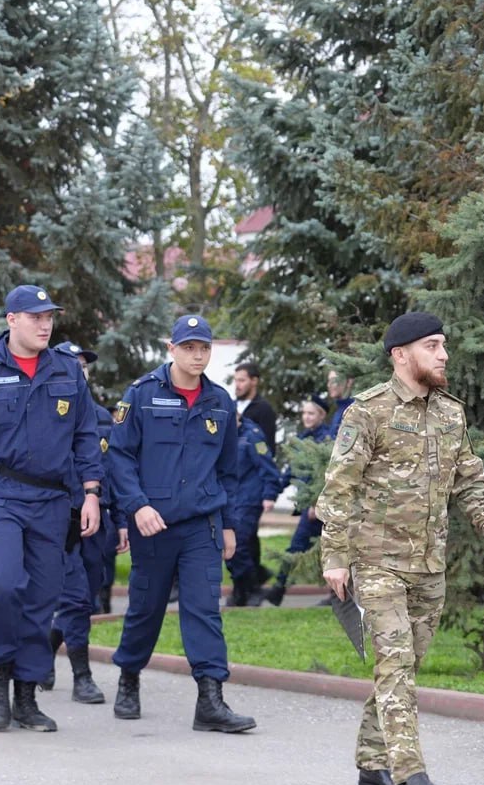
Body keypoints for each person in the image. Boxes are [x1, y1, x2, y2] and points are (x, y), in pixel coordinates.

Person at [317, 312, 484, 785]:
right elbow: (339, 489)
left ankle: (371, 765)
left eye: (444, 344)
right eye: (432, 345)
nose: (444, 354)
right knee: (397, 664)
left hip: (430, 566)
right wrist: (335, 558)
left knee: (401, 667)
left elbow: (470, 479)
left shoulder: (450, 413)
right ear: (401, 355)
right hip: (377, 562)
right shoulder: (369, 412)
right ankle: (411, 773)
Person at [0, 286, 103, 732]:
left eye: (49, 316)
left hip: (52, 499)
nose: (45, 324)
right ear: (12, 319)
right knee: (0, 586)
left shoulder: (66, 371)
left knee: (41, 599)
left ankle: (27, 696)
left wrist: (91, 492)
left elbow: (85, 435)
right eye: (35, 316)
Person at [107, 314, 255, 734]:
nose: (197, 355)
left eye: (203, 348)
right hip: (152, 524)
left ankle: (210, 699)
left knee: (204, 609)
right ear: (170, 349)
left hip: (201, 525)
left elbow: (229, 470)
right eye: (188, 347)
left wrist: (228, 525)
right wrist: (136, 507)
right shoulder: (141, 395)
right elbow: (119, 457)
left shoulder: (221, 402)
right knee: (146, 609)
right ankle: (129, 677)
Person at [43, 341, 128, 704]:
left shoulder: (101, 416)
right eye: (71, 363)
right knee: (76, 599)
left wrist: (121, 519)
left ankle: (47, 646)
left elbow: (115, 470)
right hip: (59, 518)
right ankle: (82, 676)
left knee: (88, 594)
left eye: (84, 365)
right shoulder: (45, 413)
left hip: (100, 520)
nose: (79, 369)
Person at [263, 392, 333, 607]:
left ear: (321, 415)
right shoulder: (300, 441)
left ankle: (338, 597)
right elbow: (289, 473)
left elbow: (329, 475)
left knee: (334, 552)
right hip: (308, 510)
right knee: (296, 547)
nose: (307, 417)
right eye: (304, 413)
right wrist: (271, 495)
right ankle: (278, 591)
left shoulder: (327, 440)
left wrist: (317, 503)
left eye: (311, 413)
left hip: (324, 508)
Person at [224, 413, 280, 606]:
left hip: (249, 498)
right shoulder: (223, 434)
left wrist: (269, 494)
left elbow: (268, 467)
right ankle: (243, 587)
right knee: (231, 544)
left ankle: (251, 588)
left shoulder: (252, 435)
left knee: (238, 543)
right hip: (230, 499)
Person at [234, 361, 277, 456]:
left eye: (241, 380)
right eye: (235, 380)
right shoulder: (231, 406)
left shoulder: (263, 409)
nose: (237, 385)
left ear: (254, 381)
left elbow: (266, 444)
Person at [325, 369, 355, 437]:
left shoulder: (353, 410)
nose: (328, 385)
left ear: (349, 382)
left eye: (333, 381)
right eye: (328, 381)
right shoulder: (340, 409)